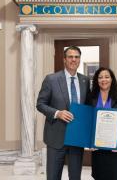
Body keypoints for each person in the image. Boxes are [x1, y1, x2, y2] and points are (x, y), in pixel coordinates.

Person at [36, 46, 90, 180]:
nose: (74, 60)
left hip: (77, 138)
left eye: (76, 57)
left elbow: (88, 107)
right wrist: (57, 113)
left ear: (79, 60)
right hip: (56, 136)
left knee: (75, 176)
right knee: (53, 176)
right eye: (70, 57)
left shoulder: (85, 81)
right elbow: (40, 104)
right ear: (64, 60)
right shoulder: (51, 79)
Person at [87, 67, 117, 180]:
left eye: (107, 77)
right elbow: (87, 121)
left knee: (115, 175)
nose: (104, 80)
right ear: (96, 80)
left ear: (112, 79)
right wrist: (88, 141)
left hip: (115, 146)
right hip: (97, 147)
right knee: (99, 175)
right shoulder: (91, 98)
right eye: (100, 77)